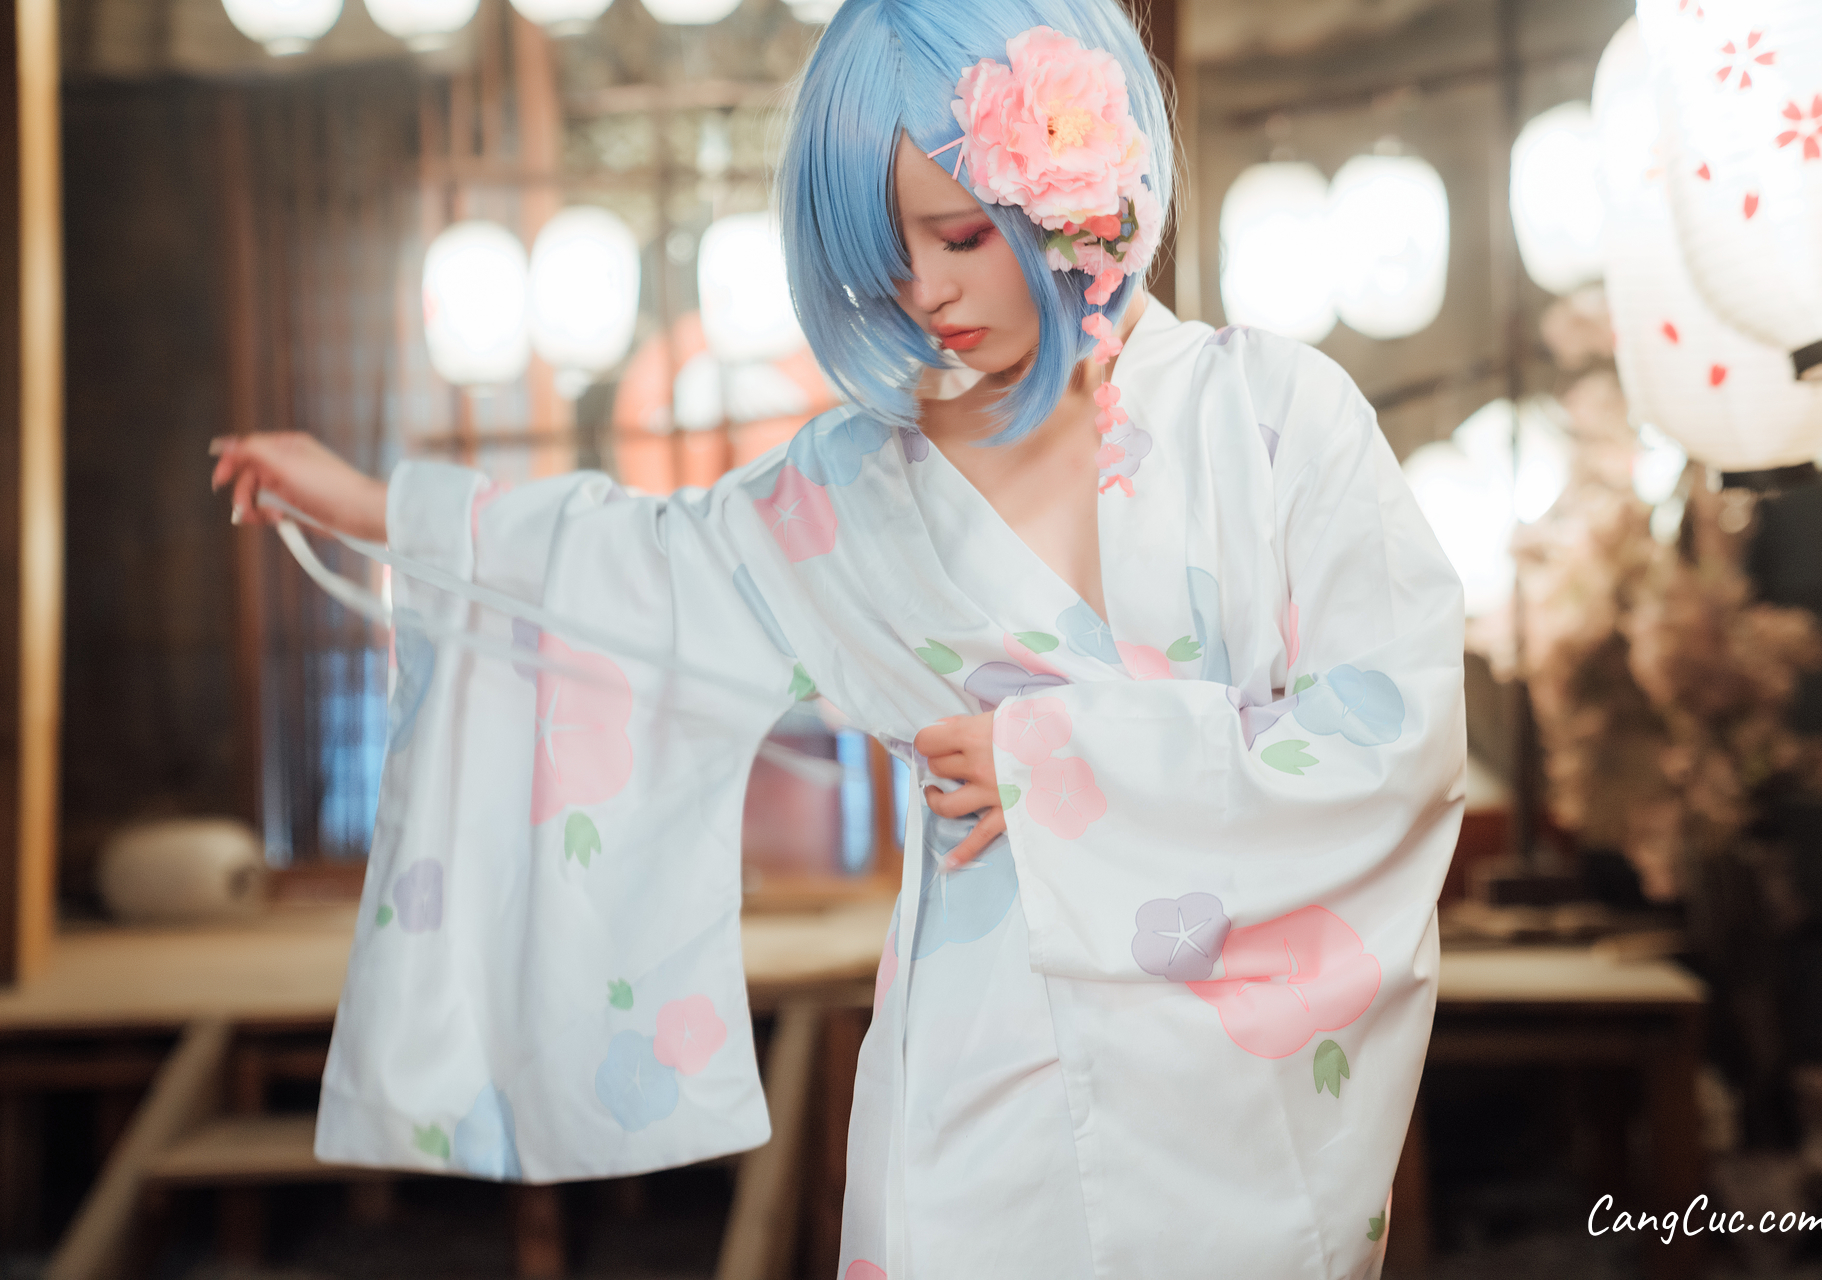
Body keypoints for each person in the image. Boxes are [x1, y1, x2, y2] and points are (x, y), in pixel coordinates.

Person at [211, 1, 1466, 1275]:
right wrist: (373, 507)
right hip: (980, 1076)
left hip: (1231, 1108)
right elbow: (637, 572)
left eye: (959, 235)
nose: (925, 292)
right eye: (885, 253)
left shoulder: (1272, 417)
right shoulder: (861, 484)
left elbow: (1392, 736)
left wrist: (1053, 763)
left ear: (1071, 188)